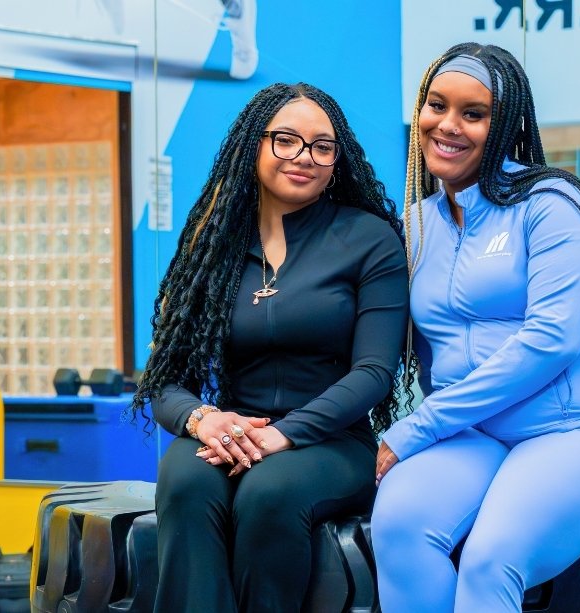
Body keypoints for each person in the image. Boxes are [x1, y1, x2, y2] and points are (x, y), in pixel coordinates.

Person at [370, 42, 580, 612]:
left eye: (473, 114)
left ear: (506, 127)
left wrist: (415, 429)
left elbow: (550, 342)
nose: (448, 126)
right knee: (400, 526)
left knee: (491, 557)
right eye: (436, 106)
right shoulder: (418, 222)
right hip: (477, 436)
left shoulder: (554, 203)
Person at [132, 82, 409, 613]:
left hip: (332, 440)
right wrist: (202, 420)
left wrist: (284, 435)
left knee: (269, 491)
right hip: (232, 430)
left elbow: (374, 372)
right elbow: (166, 376)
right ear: (252, 145)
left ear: (337, 158)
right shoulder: (215, 244)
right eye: (286, 140)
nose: (304, 157)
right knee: (185, 477)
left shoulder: (370, 238)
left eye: (321, 146)